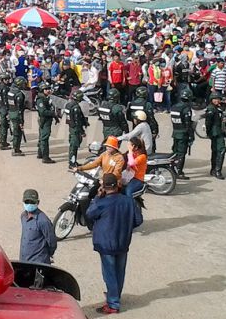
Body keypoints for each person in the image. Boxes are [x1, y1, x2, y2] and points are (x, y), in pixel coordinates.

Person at [86, 173, 143, 314]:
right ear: (117, 185)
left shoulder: (101, 202)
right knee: (119, 272)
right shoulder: (129, 201)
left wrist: (97, 197)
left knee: (109, 274)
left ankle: (113, 304)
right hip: (123, 242)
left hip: (106, 244)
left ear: (103, 187)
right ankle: (115, 295)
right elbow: (138, 220)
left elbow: (89, 214)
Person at [19, 189, 56, 265]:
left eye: (32, 202)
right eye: (27, 202)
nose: (29, 204)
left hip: (38, 262)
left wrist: (45, 255)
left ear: (38, 202)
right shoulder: (23, 216)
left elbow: (52, 243)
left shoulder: (43, 221)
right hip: (24, 260)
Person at [169, 90, 194, 180]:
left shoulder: (174, 107)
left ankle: (172, 169)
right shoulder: (186, 109)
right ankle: (179, 172)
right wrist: (191, 136)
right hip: (183, 134)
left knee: (175, 152)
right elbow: (188, 124)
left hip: (175, 132)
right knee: (181, 153)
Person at [128, 86, 159, 153]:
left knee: (136, 147)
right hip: (147, 128)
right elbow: (151, 119)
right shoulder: (147, 104)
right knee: (149, 148)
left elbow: (128, 117)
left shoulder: (131, 103)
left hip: (135, 128)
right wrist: (155, 130)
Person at [204, 92, 226, 180]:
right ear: (211, 100)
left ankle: (214, 169)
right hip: (215, 132)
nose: (217, 100)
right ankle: (217, 170)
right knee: (221, 150)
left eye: (218, 99)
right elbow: (208, 123)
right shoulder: (211, 109)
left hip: (218, 131)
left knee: (215, 151)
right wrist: (208, 132)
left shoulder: (216, 108)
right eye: (215, 99)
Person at [35, 82, 58, 163]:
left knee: (42, 136)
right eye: (46, 89)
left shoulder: (46, 97)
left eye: (49, 89)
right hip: (44, 120)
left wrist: (55, 117)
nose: (48, 90)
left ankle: (40, 153)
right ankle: (45, 157)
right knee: (44, 138)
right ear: (42, 90)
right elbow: (43, 112)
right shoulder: (40, 99)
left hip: (47, 120)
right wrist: (53, 114)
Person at [65, 90, 88, 168]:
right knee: (74, 147)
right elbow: (77, 122)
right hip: (75, 129)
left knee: (73, 146)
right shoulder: (76, 108)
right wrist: (82, 132)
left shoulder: (68, 105)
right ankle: (72, 163)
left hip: (71, 128)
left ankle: (73, 161)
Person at [7, 76, 27, 155]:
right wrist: (21, 121)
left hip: (11, 112)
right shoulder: (19, 94)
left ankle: (16, 148)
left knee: (16, 131)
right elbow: (19, 108)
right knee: (17, 132)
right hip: (17, 115)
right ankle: (16, 149)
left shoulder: (10, 91)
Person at [0, 73, 12, 150]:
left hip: (1, 107)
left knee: (2, 124)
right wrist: (8, 110)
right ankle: (3, 143)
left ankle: (2, 140)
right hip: (4, 108)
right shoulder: (5, 88)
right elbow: (6, 100)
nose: (8, 81)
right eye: (6, 79)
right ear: (2, 80)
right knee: (4, 125)